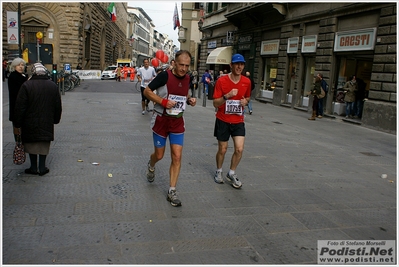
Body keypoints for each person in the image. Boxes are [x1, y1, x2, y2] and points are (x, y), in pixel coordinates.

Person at [143, 50, 196, 207]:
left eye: (187, 66)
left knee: (177, 156)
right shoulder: (164, 76)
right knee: (159, 155)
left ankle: (172, 190)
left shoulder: (188, 78)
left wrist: (190, 99)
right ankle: (151, 165)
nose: (184, 69)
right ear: (174, 63)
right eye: (181, 65)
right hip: (161, 121)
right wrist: (163, 101)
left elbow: (183, 94)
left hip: (177, 122)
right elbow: (147, 91)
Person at [13, 63, 62, 176]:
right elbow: (57, 105)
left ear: (33, 73)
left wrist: (17, 123)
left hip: (29, 121)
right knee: (43, 143)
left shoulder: (26, 85)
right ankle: (42, 167)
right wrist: (56, 119)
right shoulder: (52, 85)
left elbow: (20, 106)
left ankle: (33, 167)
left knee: (31, 143)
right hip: (46, 121)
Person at [212, 54, 251, 189]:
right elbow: (215, 104)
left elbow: (247, 97)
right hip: (223, 120)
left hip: (238, 120)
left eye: (242, 64)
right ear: (231, 65)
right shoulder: (221, 81)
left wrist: (245, 101)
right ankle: (219, 171)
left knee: (239, 149)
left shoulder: (247, 81)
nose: (239, 66)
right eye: (237, 64)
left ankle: (232, 172)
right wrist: (227, 96)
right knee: (222, 150)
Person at [7, 58, 28, 141]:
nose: (21, 67)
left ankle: (22, 141)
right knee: (17, 125)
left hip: (24, 105)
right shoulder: (13, 76)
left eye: (22, 65)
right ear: (14, 66)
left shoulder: (23, 76)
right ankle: (18, 142)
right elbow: (18, 90)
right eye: (19, 65)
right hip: (16, 105)